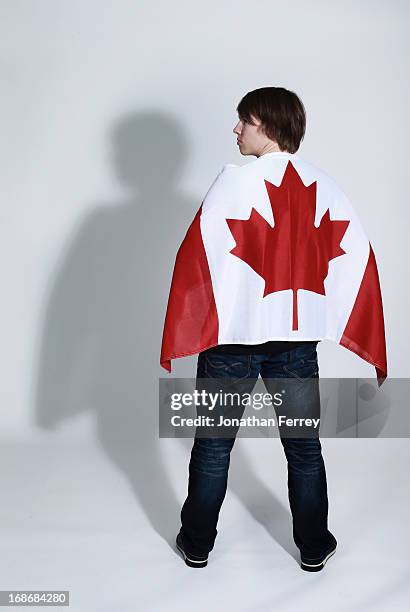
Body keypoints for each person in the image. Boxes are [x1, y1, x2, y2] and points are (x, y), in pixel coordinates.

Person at [175, 87, 337, 571]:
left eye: (243, 120)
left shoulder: (233, 184)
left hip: (232, 342)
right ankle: (312, 546)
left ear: (265, 124)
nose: (236, 129)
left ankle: (197, 543)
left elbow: (198, 261)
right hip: (294, 342)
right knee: (304, 447)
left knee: (212, 447)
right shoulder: (324, 186)